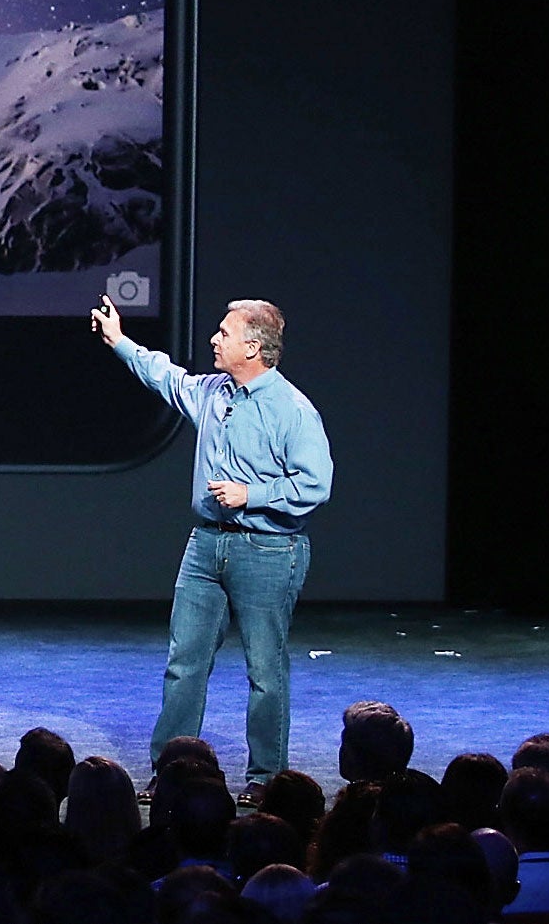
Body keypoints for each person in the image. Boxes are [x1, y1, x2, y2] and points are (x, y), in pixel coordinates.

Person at [90, 294, 333, 797]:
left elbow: (316, 485)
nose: (213, 340)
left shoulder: (292, 409)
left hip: (267, 551)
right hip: (205, 547)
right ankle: (174, 771)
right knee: (185, 662)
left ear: (253, 347)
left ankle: (266, 779)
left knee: (265, 670)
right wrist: (119, 340)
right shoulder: (213, 393)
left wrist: (254, 494)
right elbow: (166, 376)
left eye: (224, 333)